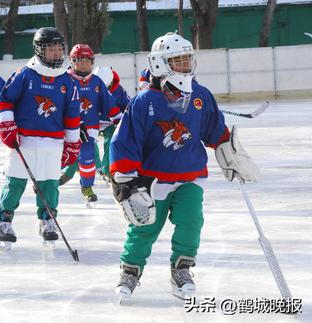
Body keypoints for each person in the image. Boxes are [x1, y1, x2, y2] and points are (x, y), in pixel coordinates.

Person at [110, 32, 259, 301]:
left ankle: (182, 269)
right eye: (178, 61)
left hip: (190, 176)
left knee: (191, 223)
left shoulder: (200, 95)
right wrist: (125, 177)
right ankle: (130, 271)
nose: (185, 66)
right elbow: (126, 140)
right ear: (160, 64)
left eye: (187, 59)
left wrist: (229, 152)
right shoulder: (145, 101)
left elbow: (215, 130)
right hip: (153, 179)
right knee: (144, 226)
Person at [0, 27, 81, 249]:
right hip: (22, 141)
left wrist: (72, 142)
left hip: (53, 143)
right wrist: (7, 125)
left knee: (49, 185)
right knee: (15, 183)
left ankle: (47, 220)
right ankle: (4, 221)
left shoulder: (67, 81)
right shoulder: (25, 74)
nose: (56, 53)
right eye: (50, 49)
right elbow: (5, 101)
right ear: (39, 50)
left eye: (59, 49)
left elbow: (72, 114)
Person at [65, 44, 121, 204]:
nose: (83, 64)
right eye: (79, 60)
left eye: (87, 60)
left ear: (92, 62)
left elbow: (109, 103)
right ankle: (49, 182)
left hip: (90, 127)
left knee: (88, 157)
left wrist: (118, 119)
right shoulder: (65, 80)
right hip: (66, 128)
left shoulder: (96, 82)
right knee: (57, 155)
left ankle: (87, 187)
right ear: (73, 61)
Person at [92, 65, 130, 181]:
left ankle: (107, 169)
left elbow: (128, 105)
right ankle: (96, 165)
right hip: (92, 121)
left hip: (110, 122)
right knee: (88, 140)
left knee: (111, 141)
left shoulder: (119, 91)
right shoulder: (87, 87)